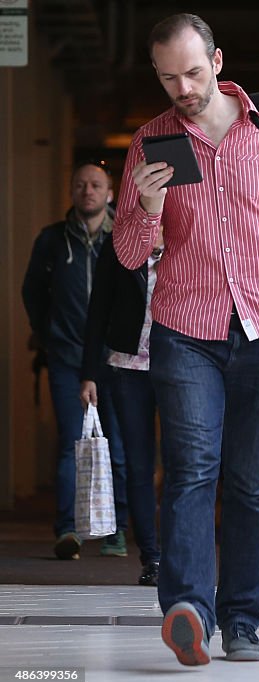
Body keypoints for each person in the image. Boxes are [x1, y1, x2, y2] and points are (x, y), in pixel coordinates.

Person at [113, 13, 259, 665]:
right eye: (167, 77)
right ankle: (188, 610)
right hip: (186, 329)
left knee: (250, 478)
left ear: (217, 60)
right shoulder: (152, 142)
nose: (182, 86)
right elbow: (128, 255)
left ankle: (241, 619)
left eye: (192, 71)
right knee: (189, 469)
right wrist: (148, 210)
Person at [22, 161, 129, 561]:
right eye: (81, 185)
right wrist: (48, 333)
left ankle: (116, 532)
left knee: (118, 447)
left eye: (96, 185)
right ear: (72, 191)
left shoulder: (123, 238)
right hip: (66, 356)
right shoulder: (51, 240)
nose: (88, 191)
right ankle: (68, 529)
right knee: (72, 444)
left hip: (115, 358)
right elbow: (32, 290)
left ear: (110, 193)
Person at [80, 228, 165, 586]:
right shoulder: (120, 244)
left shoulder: (190, 233)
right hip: (127, 367)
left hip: (183, 365)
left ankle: (184, 554)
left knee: (189, 465)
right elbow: (97, 309)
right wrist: (89, 374)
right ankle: (153, 558)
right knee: (138, 463)